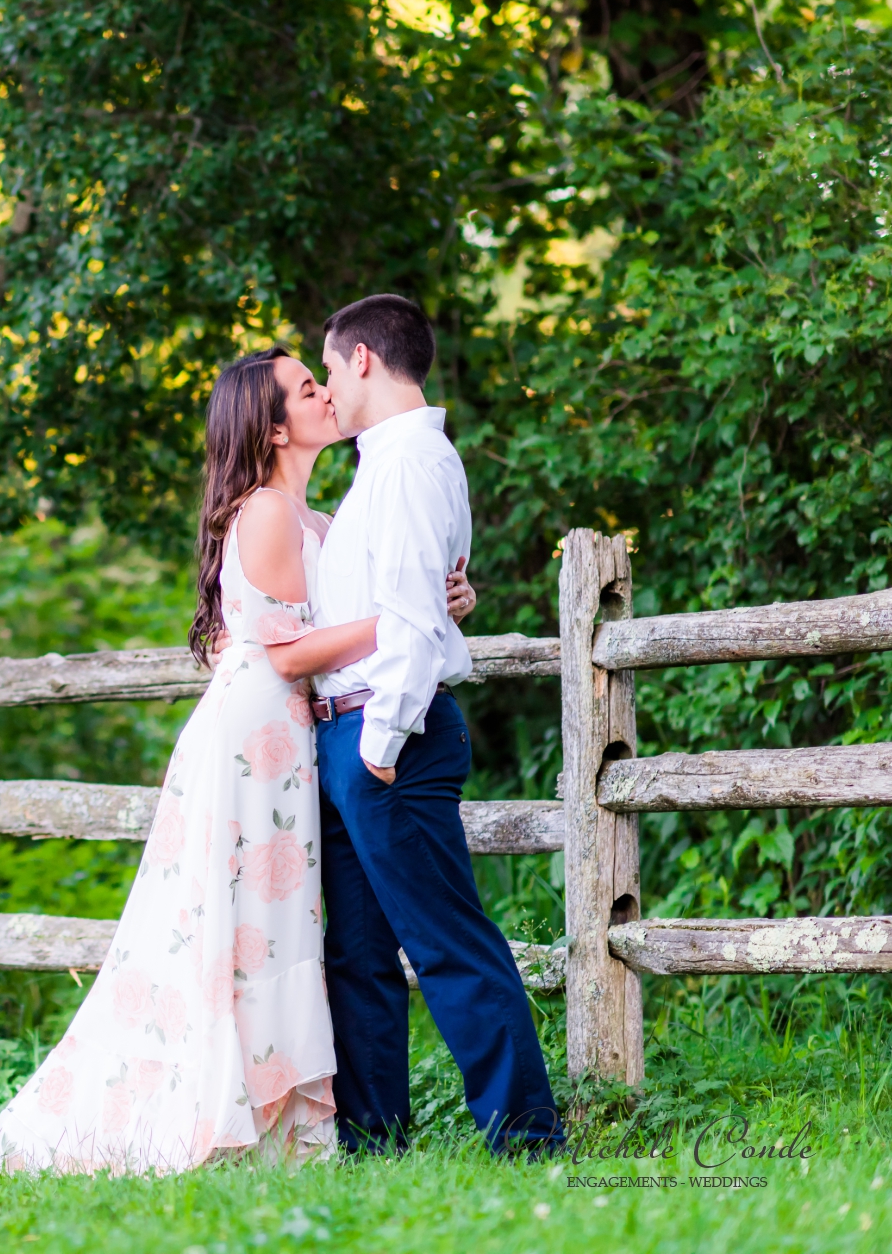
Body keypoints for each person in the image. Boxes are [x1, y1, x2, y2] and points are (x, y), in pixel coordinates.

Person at [0, 347, 474, 1175]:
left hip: (288, 737)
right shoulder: (268, 514)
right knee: (240, 925)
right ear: (275, 425)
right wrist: (410, 619)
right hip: (256, 735)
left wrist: (441, 599)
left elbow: (385, 595)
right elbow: (286, 652)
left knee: (278, 928)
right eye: (307, 388)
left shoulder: (318, 519)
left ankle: (274, 1115)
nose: (326, 395)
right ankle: (214, 1109)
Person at [309, 293, 565, 1156]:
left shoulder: (413, 462)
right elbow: (411, 597)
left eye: (330, 369)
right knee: (359, 957)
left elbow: (415, 622)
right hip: (350, 734)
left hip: (392, 740)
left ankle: (527, 1137)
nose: (327, 390)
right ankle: (373, 1141)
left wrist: (378, 750)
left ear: (365, 362)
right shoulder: (382, 466)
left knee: (449, 943)